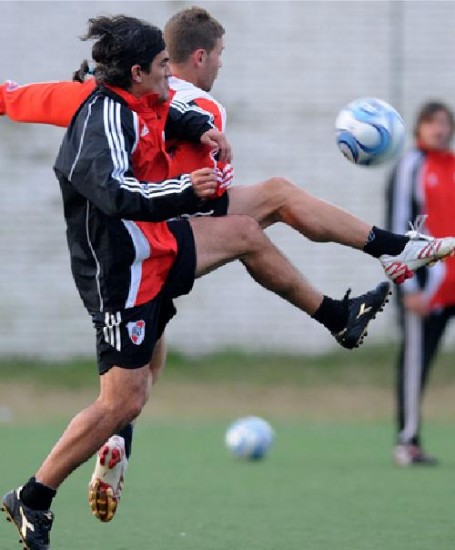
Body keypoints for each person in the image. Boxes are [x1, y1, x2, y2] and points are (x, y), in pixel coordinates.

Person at [2, 6, 455, 524]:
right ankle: (375, 267)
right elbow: (182, 195)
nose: (217, 66)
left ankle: (111, 445)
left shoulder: (99, 95)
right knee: (250, 226)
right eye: (219, 55)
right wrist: (196, 168)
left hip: (145, 241)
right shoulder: (182, 106)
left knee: (138, 378)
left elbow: (17, 98)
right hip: (135, 246)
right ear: (194, 57)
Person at [387, 101, 455, 466]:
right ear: (419, 128)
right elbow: (398, 227)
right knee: (417, 362)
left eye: (444, 123)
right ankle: (407, 441)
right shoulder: (410, 166)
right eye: (431, 123)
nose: (439, 130)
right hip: (427, 285)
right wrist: (408, 287)